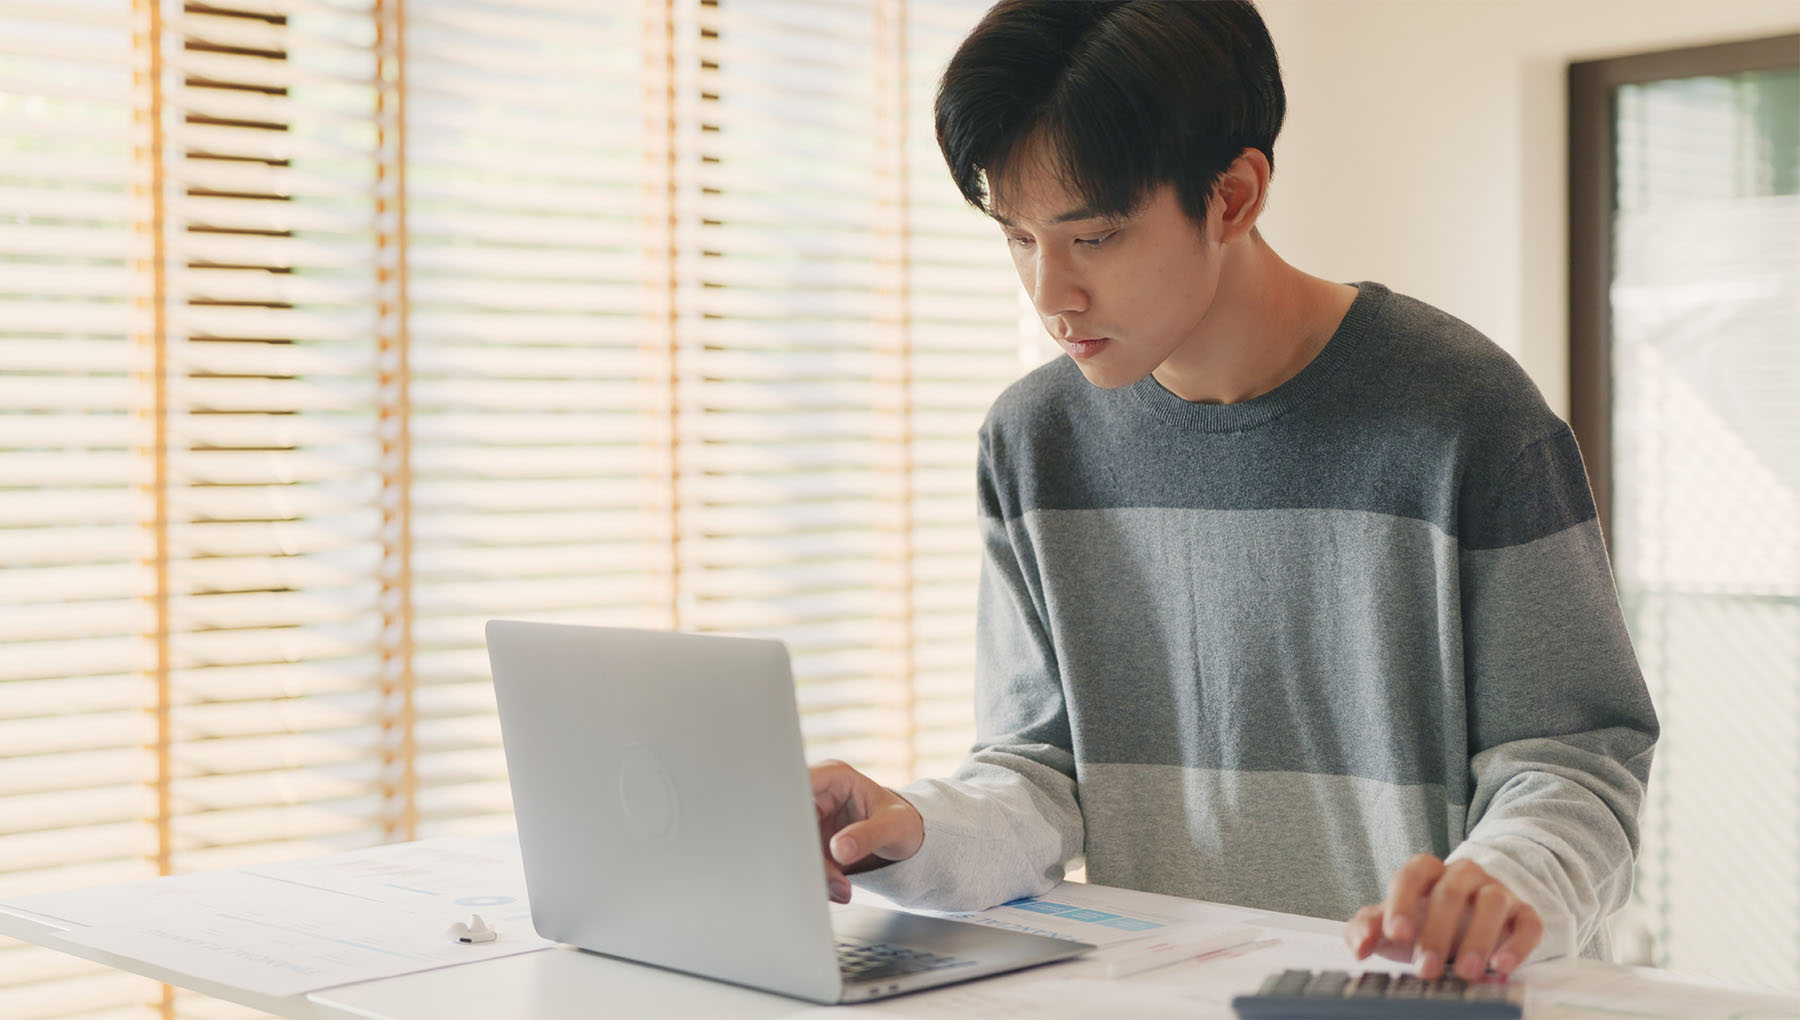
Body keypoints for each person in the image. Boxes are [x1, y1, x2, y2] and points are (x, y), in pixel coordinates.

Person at [809, 0, 1657, 985]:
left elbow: (1578, 766)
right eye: (1018, 237)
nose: (1050, 295)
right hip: (1179, 995)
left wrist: (1502, 881)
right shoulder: (1033, 442)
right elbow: (1039, 774)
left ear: (1235, 194)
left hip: (1430, 999)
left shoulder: (1467, 417)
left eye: (1095, 237)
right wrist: (905, 827)